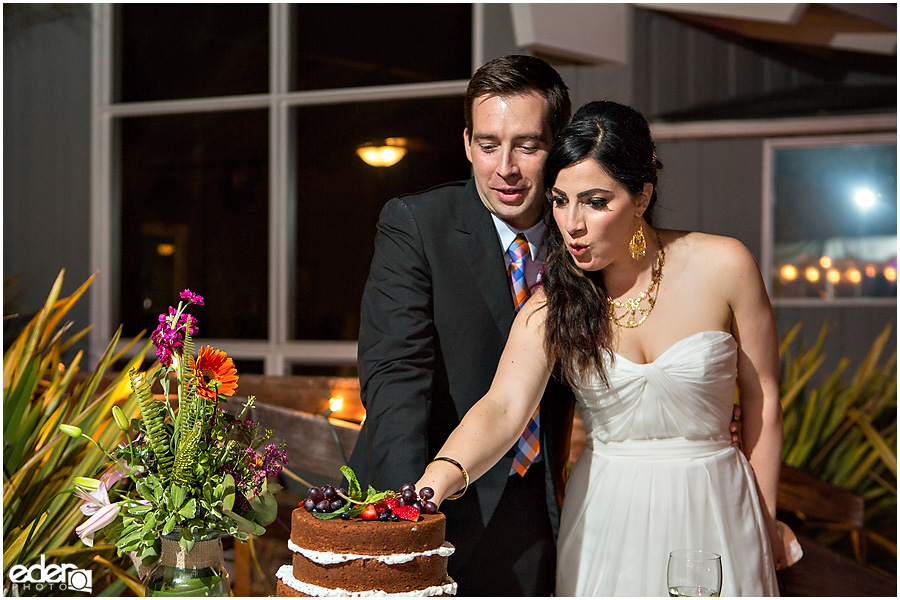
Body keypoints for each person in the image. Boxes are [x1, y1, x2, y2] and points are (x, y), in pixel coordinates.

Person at [415, 100, 785, 596]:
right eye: (560, 200)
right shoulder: (553, 305)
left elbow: (762, 397)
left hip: (719, 508)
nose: (572, 223)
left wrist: (763, 521)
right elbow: (502, 408)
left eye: (594, 201)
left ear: (642, 195)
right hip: (608, 520)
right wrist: (437, 481)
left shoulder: (725, 264)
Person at [347, 55, 576, 596]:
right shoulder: (416, 224)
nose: (506, 168)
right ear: (468, 143)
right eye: (490, 144)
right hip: (425, 497)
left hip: (531, 507)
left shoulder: (584, 237)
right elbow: (395, 374)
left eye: (527, 145)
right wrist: (407, 511)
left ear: (557, 146)